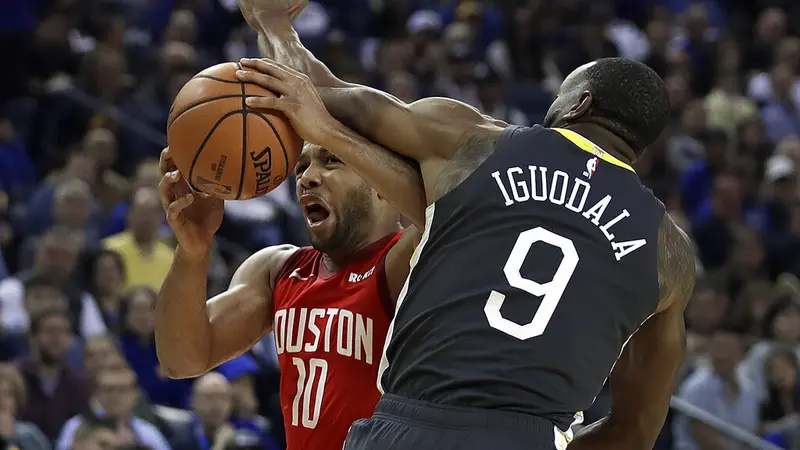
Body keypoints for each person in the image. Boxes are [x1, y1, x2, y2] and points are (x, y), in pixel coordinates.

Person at [235, 2, 697, 449]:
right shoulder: (668, 253)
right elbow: (634, 432)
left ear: (580, 103)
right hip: (527, 434)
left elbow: (314, 96)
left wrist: (271, 19)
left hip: (409, 423)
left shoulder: (477, 142)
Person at [155, 138, 425, 449]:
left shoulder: (412, 259)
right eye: (301, 167)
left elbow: (457, 194)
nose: (307, 177)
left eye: (332, 160)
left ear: (383, 182)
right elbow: (181, 360)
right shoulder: (277, 269)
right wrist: (193, 250)